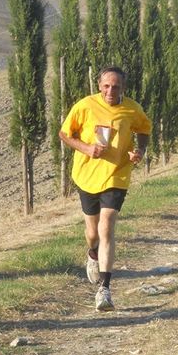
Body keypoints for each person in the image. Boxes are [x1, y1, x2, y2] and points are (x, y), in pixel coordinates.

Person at [59, 66, 152, 312]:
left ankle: (105, 289)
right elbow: (65, 134)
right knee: (92, 233)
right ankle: (92, 253)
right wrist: (86, 148)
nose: (111, 91)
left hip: (117, 174)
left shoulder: (132, 109)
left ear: (124, 88)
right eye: (107, 86)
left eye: (116, 86)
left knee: (107, 226)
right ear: (99, 85)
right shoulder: (85, 105)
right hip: (87, 175)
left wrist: (139, 151)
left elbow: (144, 129)